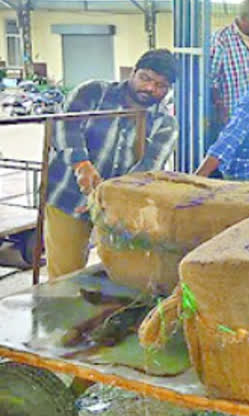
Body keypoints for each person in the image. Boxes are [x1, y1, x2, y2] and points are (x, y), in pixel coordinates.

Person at [45, 49, 179, 279]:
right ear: (133, 72)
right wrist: (82, 165)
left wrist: (107, 199)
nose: (150, 88)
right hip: (67, 196)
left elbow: (147, 171)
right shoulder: (93, 92)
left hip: (119, 206)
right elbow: (64, 127)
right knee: (65, 274)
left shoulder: (165, 123)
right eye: (145, 78)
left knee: (122, 273)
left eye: (160, 85)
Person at [210, 0, 249, 127]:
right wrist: (220, 108)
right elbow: (209, 79)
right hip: (231, 119)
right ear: (244, 18)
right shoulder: (221, 40)